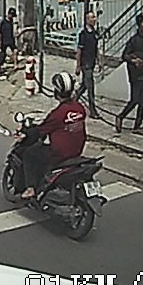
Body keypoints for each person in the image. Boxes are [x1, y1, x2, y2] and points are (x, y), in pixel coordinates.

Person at [20, 71, 88, 199]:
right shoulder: (80, 108)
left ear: (56, 91)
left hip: (59, 154)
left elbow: (41, 130)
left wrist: (27, 132)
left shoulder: (57, 114)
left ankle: (31, 188)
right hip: (77, 151)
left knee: (29, 154)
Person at [75, 10, 101, 118]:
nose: (94, 19)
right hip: (85, 64)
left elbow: (96, 48)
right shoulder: (83, 34)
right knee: (90, 87)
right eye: (92, 17)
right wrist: (78, 66)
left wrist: (100, 61)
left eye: (94, 17)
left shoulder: (94, 33)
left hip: (92, 62)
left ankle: (73, 100)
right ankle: (92, 110)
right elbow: (79, 51)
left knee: (84, 86)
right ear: (87, 20)